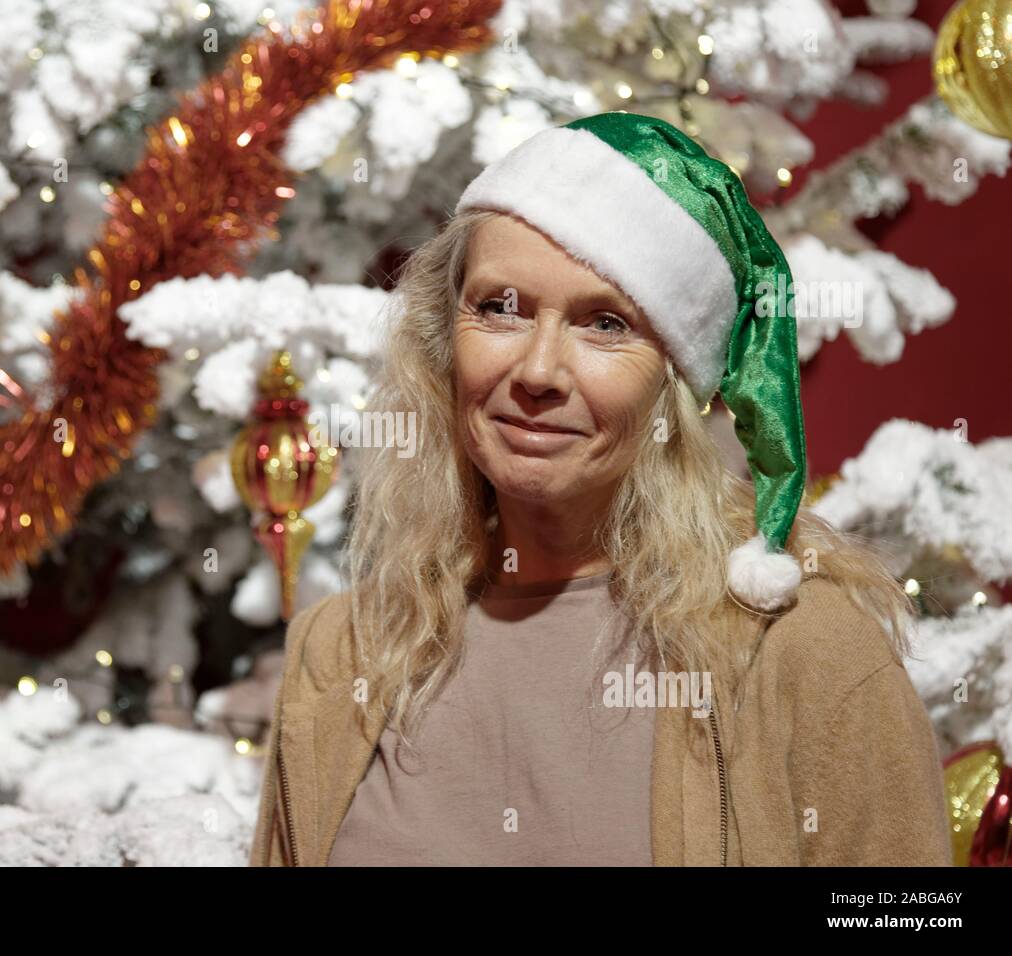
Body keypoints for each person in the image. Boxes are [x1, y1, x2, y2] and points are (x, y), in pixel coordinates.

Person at [249, 112, 951, 866]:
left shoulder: (802, 653)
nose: (539, 372)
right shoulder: (345, 652)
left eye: (606, 324)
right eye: (499, 308)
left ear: (678, 385)